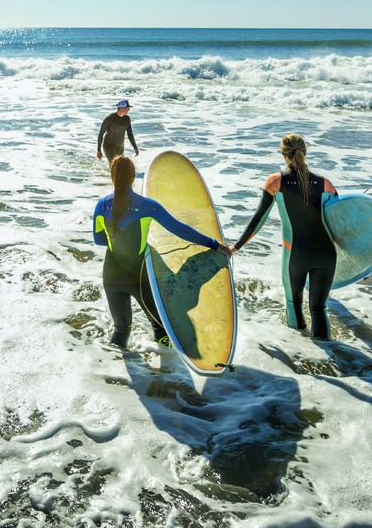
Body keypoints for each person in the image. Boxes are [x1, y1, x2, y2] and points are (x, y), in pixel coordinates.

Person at [92, 154, 231, 348]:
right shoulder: (149, 206)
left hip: (111, 276)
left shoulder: (101, 205)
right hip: (139, 278)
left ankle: (114, 372)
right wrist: (215, 244)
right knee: (161, 329)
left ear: (112, 177)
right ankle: (167, 370)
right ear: (133, 177)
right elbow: (180, 229)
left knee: (121, 330)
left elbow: (99, 240)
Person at [232, 133, 339, 339]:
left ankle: (300, 358)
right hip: (327, 256)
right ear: (305, 153)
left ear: (283, 155)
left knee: (294, 304)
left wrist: (235, 247)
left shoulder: (276, 182)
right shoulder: (326, 184)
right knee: (318, 308)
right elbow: (342, 223)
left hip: (296, 256)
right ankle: (334, 360)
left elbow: (259, 219)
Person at [96, 100, 139, 165]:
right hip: (109, 146)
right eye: (127, 108)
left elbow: (130, 134)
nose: (129, 109)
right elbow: (101, 134)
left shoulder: (127, 119)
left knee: (120, 165)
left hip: (120, 147)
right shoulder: (109, 118)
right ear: (122, 108)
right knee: (113, 165)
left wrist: (135, 147)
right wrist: (99, 150)